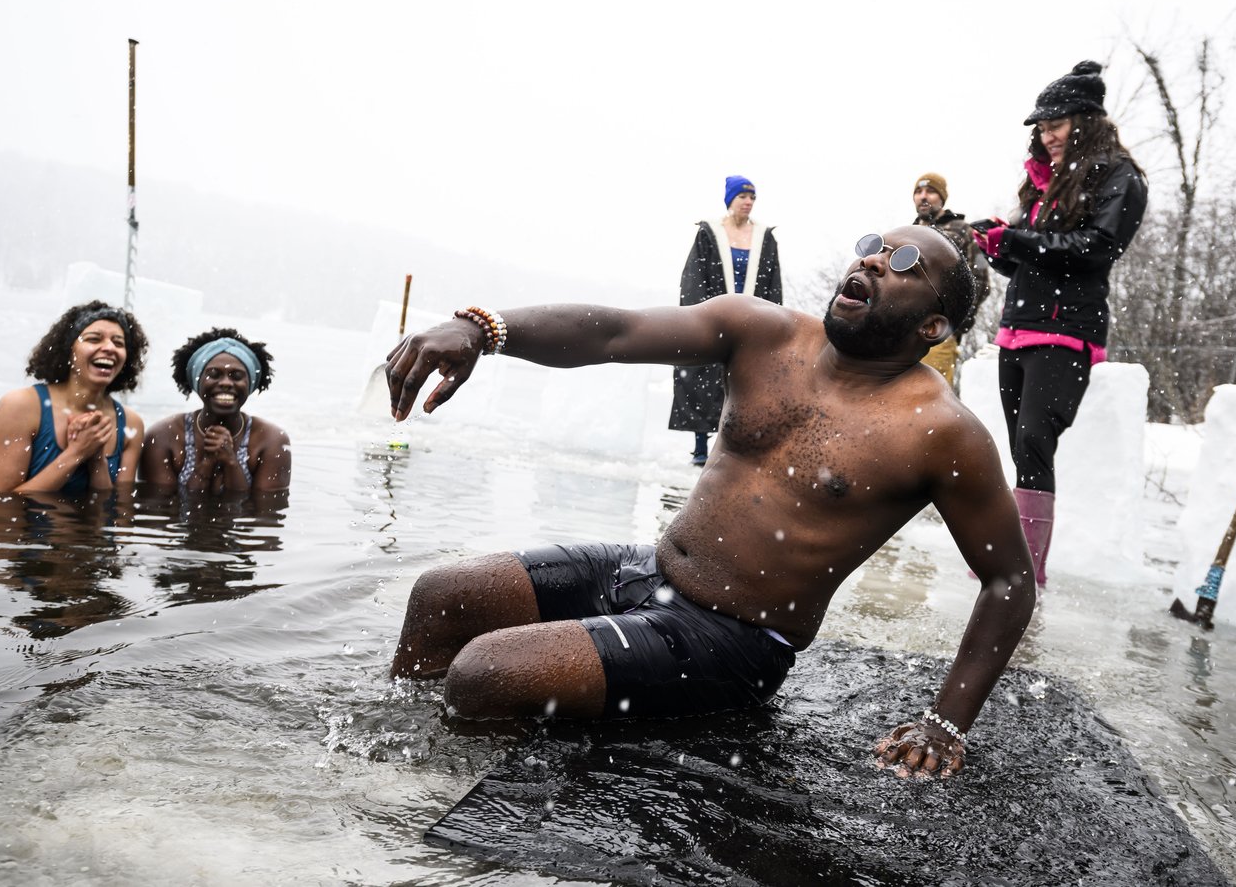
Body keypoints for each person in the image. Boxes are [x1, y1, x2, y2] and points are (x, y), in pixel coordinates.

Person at [385, 225, 1037, 778]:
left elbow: (1009, 579)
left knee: (485, 672)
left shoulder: (940, 430)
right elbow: (613, 332)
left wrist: (945, 722)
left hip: (733, 639)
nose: (870, 258)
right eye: (872, 244)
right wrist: (482, 328)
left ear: (933, 323)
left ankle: (466, 806)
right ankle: (389, 765)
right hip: (646, 571)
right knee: (443, 595)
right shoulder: (765, 332)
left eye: (901, 264)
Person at [971, 61, 1148, 589]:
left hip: (1068, 332)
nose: (1046, 135)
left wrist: (1018, 241)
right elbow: (1030, 259)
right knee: (1019, 450)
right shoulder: (1044, 184)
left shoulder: (1122, 177)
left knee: (1033, 444)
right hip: (1017, 329)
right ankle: (1016, 567)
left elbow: (1096, 249)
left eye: (1057, 124)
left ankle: (1027, 575)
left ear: (1087, 121)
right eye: (1041, 127)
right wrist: (999, 243)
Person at [669, 175, 783, 466]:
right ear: (730, 198)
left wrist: (773, 318)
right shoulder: (710, 233)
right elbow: (694, 277)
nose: (748, 202)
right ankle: (699, 445)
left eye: (752, 198)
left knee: (743, 380)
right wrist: (701, 314)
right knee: (702, 374)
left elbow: (772, 282)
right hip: (715, 317)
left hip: (752, 320)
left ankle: (730, 444)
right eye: (743, 196)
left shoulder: (764, 237)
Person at [0, 300, 148, 495]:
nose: (109, 347)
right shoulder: (20, 406)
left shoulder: (131, 424)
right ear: (69, 350)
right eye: (94, 339)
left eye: (118, 343)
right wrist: (76, 453)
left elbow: (115, 511)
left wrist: (96, 458)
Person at [140, 328, 292, 493]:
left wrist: (230, 462)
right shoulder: (163, 435)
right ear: (197, 382)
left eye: (236, 376)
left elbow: (264, 512)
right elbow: (158, 509)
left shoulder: (271, 440)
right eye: (213, 374)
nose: (226, 382)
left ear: (250, 384)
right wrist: (207, 463)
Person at [911, 172, 990, 385]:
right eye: (918, 192)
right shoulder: (907, 234)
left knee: (929, 400)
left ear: (942, 197)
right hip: (902, 332)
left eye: (930, 191)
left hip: (937, 335)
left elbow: (980, 281)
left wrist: (952, 325)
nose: (923, 196)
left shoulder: (962, 230)